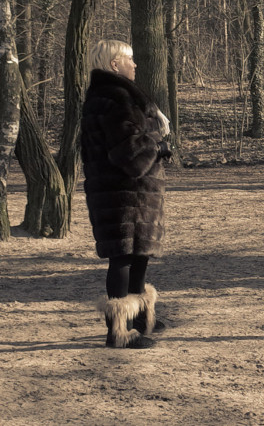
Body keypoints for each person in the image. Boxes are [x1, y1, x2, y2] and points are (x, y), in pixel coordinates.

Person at [81, 39, 171, 349]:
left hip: (130, 194)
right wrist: (158, 145)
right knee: (122, 257)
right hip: (121, 194)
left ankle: (141, 317)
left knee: (138, 255)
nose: (135, 65)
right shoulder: (115, 98)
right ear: (114, 64)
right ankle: (119, 331)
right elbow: (129, 155)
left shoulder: (111, 96)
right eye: (128, 59)